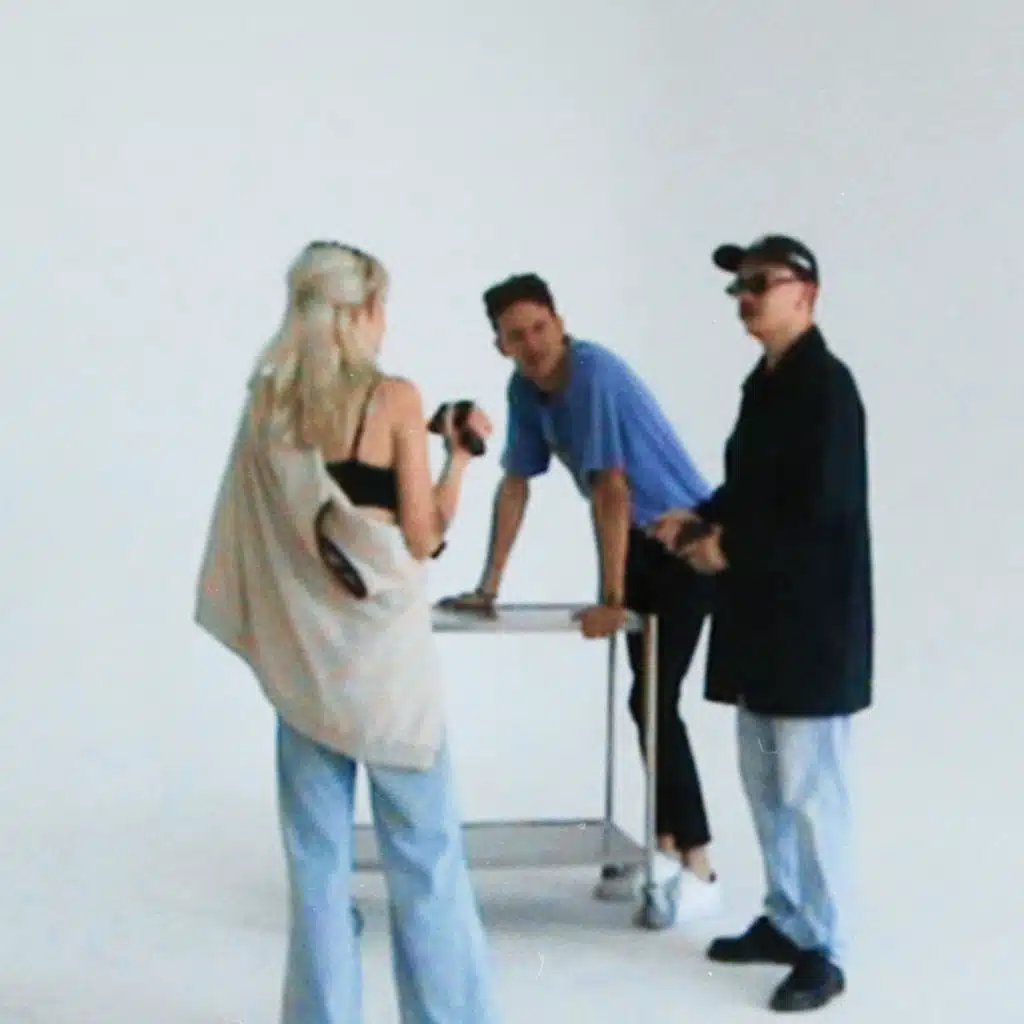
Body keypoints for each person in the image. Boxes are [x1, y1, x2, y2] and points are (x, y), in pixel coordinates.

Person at [193, 241, 500, 1024]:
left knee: (317, 870)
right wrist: (457, 460)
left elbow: (266, 535)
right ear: (361, 312)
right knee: (426, 860)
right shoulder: (394, 399)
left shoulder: (267, 406)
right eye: (381, 305)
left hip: (305, 666)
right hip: (389, 672)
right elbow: (421, 539)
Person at [443, 272, 722, 924]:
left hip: (686, 545)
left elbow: (612, 490)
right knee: (645, 701)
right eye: (516, 336)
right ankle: (664, 846)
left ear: (561, 324)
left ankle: (699, 864)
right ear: (500, 346)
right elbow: (517, 483)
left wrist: (611, 597)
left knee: (653, 701)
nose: (533, 344)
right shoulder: (524, 390)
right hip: (639, 547)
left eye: (540, 328)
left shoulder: (592, 375)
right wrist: (488, 587)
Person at [655, 235, 873, 1013]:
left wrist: (729, 547)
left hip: (811, 629)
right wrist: (697, 519)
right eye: (738, 287)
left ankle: (827, 948)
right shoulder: (766, 386)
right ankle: (787, 919)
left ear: (806, 294)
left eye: (760, 284)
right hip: (762, 625)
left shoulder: (827, 389)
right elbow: (752, 490)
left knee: (812, 793)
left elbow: (822, 511)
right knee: (767, 785)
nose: (745, 298)